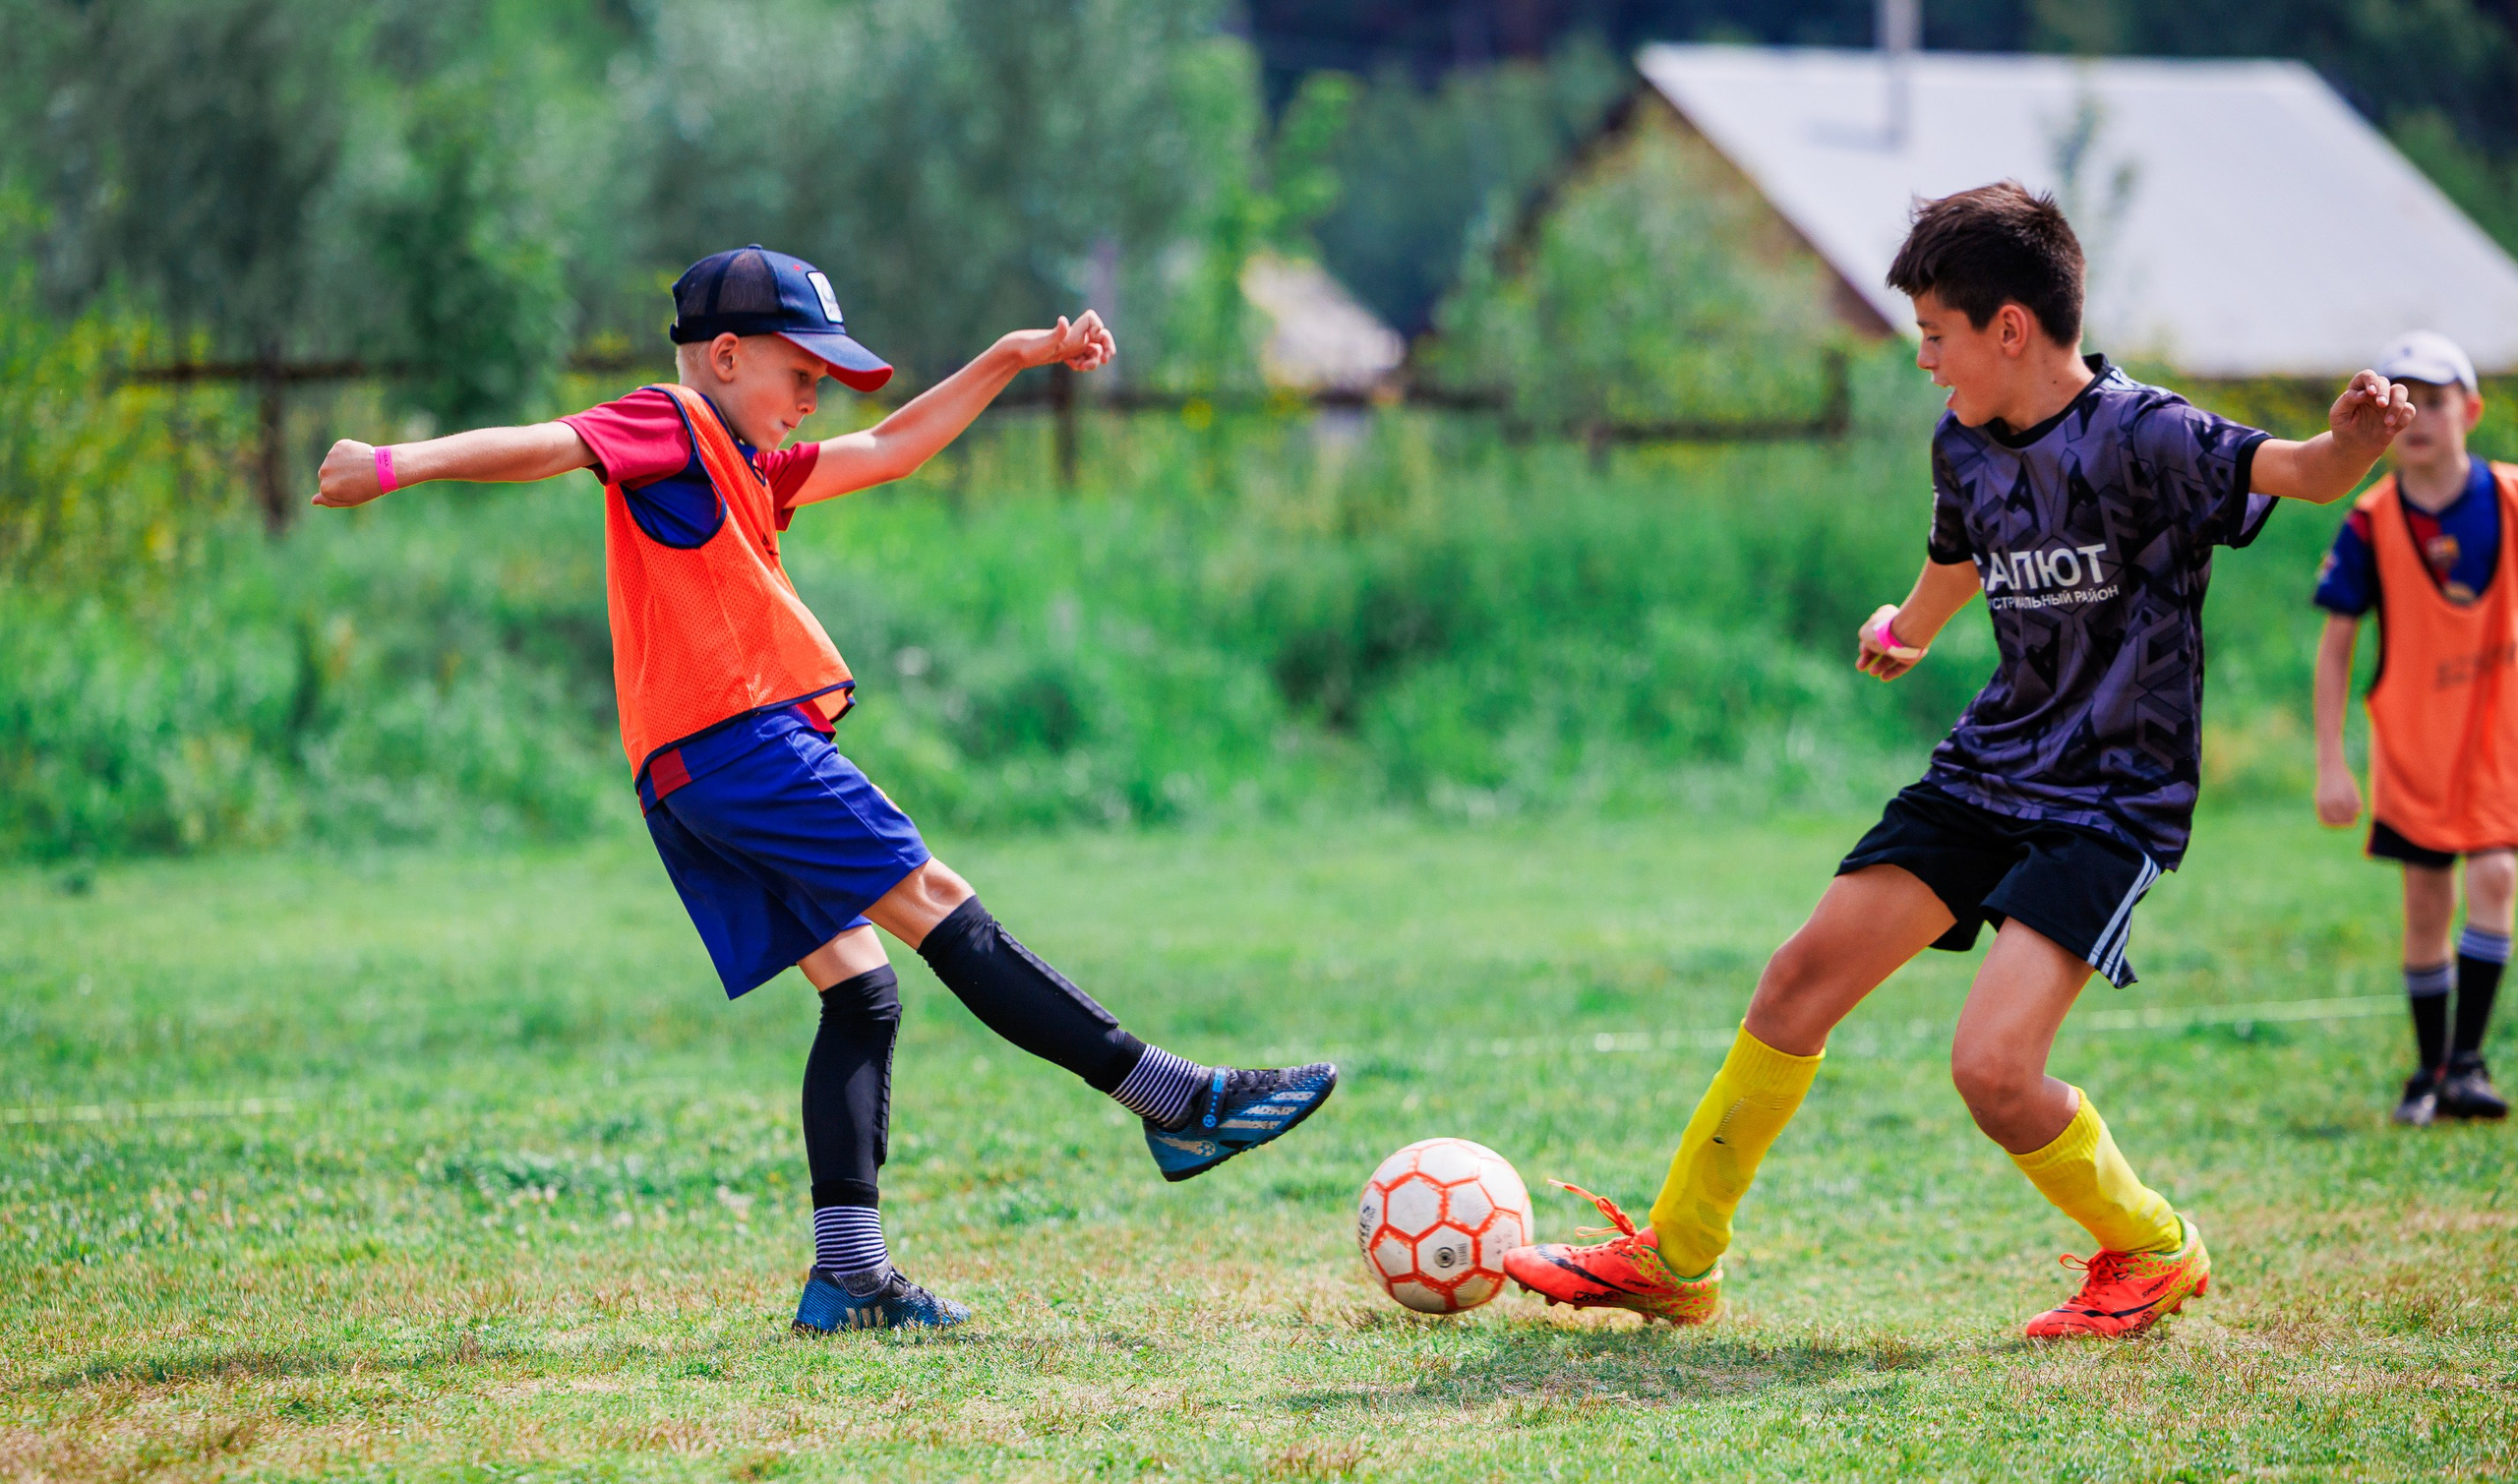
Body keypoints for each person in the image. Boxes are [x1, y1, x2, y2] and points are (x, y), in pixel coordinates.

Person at [311, 245, 1336, 1331]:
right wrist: (391, 465)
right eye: (799, 374)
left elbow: (892, 446)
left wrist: (1010, 356)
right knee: (935, 902)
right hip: (741, 743)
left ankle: (849, 1273)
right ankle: (1175, 1102)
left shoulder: (748, 465)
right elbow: (550, 445)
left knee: (861, 989)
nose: (811, 398)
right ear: (723, 356)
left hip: (687, 774)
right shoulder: (673, 424)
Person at [1503, 184, 2412, 1338]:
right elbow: (1957, 557)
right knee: (1795, 982)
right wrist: (1908, 632)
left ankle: (2150, 1247)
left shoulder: (2148, 435)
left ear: (2010, 328)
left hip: (2106, 799)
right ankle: (1677, 1259)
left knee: (1990, 1072)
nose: (1925, 361)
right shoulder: (1964, 442)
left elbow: (2302, 471)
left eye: (1935, 335)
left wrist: (2353, 440)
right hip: (1989, 766)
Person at [2311, 330, 2516, 1127]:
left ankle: (2469, 1063)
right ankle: (2429, 1071)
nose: (2421, 418)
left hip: (2499, 737)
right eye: (2405, 403)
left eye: (2436, 401)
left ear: (2469, 410)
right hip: (2414, 743)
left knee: (2496, 877)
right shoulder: (2370, 519)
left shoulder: (2507, 499)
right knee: (2427, 902)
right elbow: (2336, 652)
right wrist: (2331, 761)